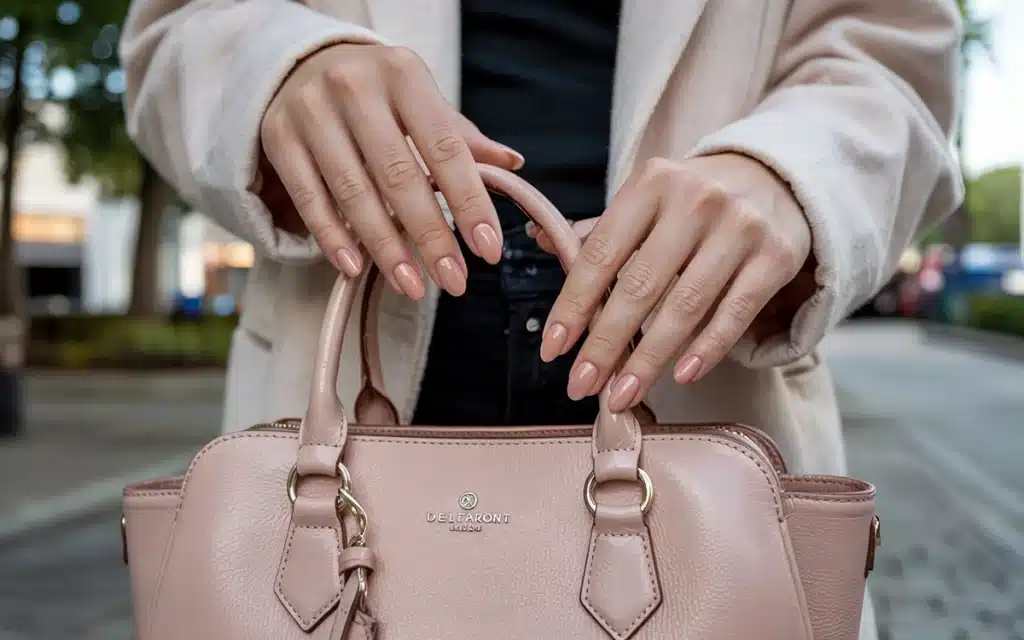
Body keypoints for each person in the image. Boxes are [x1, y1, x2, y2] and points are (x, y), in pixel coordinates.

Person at [120, 1, 963, 637]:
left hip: (701, 377)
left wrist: (787, 172)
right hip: (344, 379)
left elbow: (890, 57)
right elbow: (173, 30)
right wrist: (280, 69)